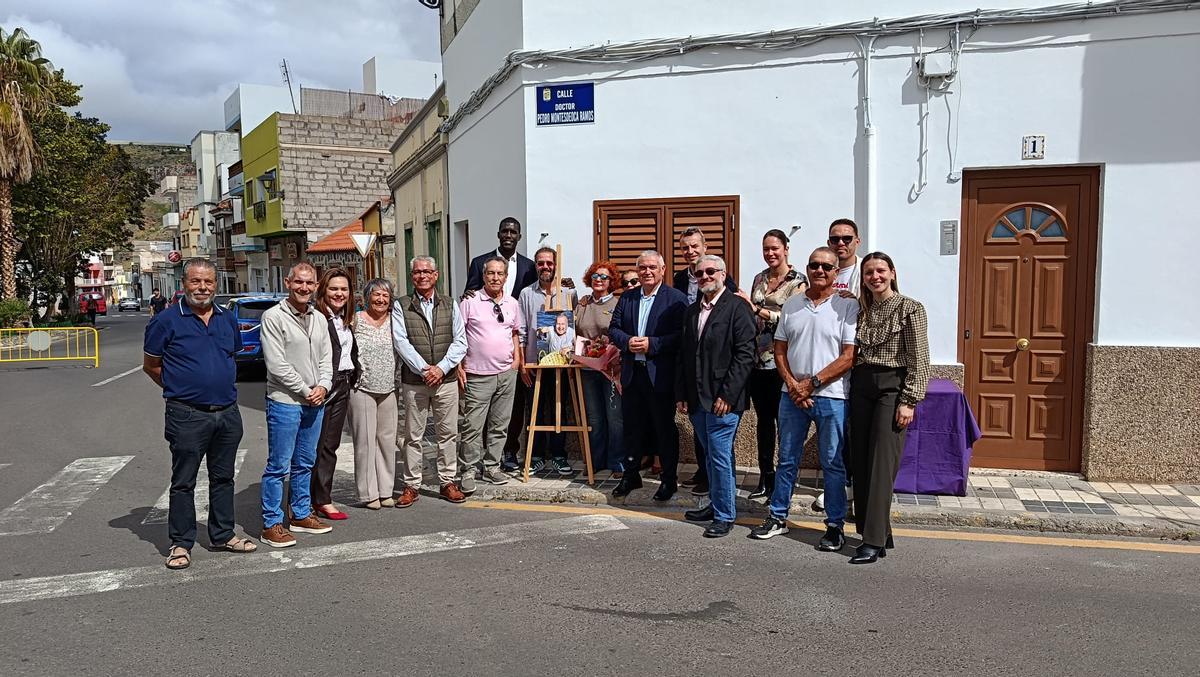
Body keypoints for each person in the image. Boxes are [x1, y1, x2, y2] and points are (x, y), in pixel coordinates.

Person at [143, 258, 257, 569]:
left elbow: (230, 356)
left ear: (216, 285)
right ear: (184, 284)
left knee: (223, 478)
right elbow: (151, 366)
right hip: (187, 414)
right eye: (196, 281)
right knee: (183, 481)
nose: (202, 287)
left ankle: (223, 534)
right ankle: (181, 543)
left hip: (227, 413)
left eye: (208, 282)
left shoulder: (226, 318)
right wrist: (181, 389)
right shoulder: (166, 321)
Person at [750, 247, 858, 554]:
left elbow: (849, 356)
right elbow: (780, 348)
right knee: (787, 459)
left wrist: (811, 384)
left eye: (827, 266)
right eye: (814, 265)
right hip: (792, 396)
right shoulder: (794, 304)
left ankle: (835, 526)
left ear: (836, 272)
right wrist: (793, 385)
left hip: (832, 397)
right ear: (807, 269)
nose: (820, 270)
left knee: (833, 464)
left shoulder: (846, 306)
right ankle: (778, 516)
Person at [848, 252, 931, 564]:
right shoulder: (862, 308)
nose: (875, 277)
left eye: (880, 271)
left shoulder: (911, 308)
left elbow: (920, 358)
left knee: (882, 465)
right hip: (861, 385)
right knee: (862, 461)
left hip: (891, 388)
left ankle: (871, 540)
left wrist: (909, 400)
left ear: (892, 273)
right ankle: (879, 534)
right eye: (868, 272)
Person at [676, 255, 757, 538]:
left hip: (724, 400)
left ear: (723, 274)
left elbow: (746, 355)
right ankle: (716, 504)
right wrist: (682, 393)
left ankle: (724, 515)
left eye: (711, 271)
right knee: (710, 455)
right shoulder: (690, 312)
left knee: (720, 455)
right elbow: (684, 356)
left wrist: (729, 394)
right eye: (700, 274)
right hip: (697, 398)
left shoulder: (737, 308)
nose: (705, 277)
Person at [259, 261, 334, 548]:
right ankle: (271, 523)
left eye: (309, 283)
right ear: (288, 283)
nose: (304, 287)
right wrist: (305, 390)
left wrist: (323, 386)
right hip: (285, 401)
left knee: (305, 462)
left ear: (316, 287)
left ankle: (301, 514)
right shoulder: (273, 317)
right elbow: (276, 364)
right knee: (278, 465)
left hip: (316, 400)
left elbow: (327, 357)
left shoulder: (319, 318)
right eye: (298, 282)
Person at [609, 250, 688, 501]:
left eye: (652, 267)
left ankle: (668, 480)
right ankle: (631, 474)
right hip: (633, 374)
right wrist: (628, 341)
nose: (647, 272)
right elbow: (614, 329)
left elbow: (681, 337)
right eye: (642, 267)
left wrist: (652, 344)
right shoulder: (628, 298)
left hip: (660, 375)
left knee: (664, 429)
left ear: (663, 270)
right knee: (632, 427)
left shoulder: (676, 299)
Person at [735, 230, 807, 499]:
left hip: (781, 361)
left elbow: (790, 318)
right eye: (766, 248)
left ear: (786, 248)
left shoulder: (798, 281)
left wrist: (754, 309)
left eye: (775, 248)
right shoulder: (759, 278)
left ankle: (784, 478)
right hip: (756, 361)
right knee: (764, 421)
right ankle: (765, 477)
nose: (770, 253)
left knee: (784, 422)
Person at [393, 256, 469, 506]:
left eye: (427, 271)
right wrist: (425, 369)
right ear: (411, 276)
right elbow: (401, 341)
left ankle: (447, 481)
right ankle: (411, 484)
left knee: (447, 434)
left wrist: (442, 368)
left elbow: (460, 341)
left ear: (436, 275)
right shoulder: (401, 305)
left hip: (445, 381)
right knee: (412, 435)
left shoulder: (450, 303)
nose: (422, 276)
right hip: (415, 381)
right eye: (417, 272)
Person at [463, 217, 536, 472]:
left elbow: (537, 293)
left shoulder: (529, 266)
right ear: (498, 234)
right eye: (504, 231)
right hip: (479, 363)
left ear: (519, 236)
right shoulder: (479, 262)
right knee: (477, 418)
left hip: (510, 353)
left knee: (510, 412)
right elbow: (469, 296)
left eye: (513, 232)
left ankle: (508, 454)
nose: (508, 235)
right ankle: (475, 463)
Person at [670, 227, 736, 496]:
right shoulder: (678, 277)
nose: (690, 252)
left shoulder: (721, 278)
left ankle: (720, 491)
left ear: (705, 246)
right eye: (685, 248)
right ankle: (702, 472)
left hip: (715, 366)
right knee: (699, 427)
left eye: (694, 246)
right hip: (689, 350)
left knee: (717, 438)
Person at [457, 256, 522, 493]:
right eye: (491, 273)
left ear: (506, 277)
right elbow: (459, 335)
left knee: (499, 425)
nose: (495, 278)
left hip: (506, 373)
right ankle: (468, 470)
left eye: (500, 274)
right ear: (483, 276)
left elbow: (515, 333)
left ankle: (492, 465)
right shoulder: (470, 301)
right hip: (477, 374)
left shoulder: (513, 303)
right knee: (472, 426)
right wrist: (459, 366)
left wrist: (516, 361)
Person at [517, 247, 579, 476]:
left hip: (562, 365)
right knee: (534, 410)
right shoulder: (526, 294)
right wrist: (523, 363)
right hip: (535, 363)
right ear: (536, 265)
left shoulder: (568, 293)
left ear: (556, 265)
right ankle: (535, 456)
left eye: (549, 263)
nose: (545, 267)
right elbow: (521, 331)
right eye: (541, 263)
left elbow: (574, 328)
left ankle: (559, 454)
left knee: (559, 409)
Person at [311, 268, 361, 521]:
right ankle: (303, 501)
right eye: (333, 289)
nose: (339, 293)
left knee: (330, 446)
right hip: (321, 385)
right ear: (323, 291)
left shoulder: (344, 318)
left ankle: (322, 499)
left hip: (342, 384)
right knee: (311, 446)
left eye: (344, 289)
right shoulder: (316, 317)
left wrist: (353, 374)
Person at [346, 278, 400, 509]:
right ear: (366, 297)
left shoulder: (395, 322)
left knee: (387, 442)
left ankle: (386, 490)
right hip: (362, 387)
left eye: (385, 296)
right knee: (365, 442)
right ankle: (368, 494)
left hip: (389, 387)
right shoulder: (355, 320)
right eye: (376, 294)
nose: (380, 299)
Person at [574, 260, 625, 477]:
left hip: (611, 369)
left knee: (615, 417)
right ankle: (595, 461)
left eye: (604, 277)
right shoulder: (582, 304)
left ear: (611, 281)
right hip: (587, 369)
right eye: (595, 276)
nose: (599, 280)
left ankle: (617, 462)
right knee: (593, 417)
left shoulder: (618, 303)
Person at [829, 218, 862, 296]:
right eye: (835, 239)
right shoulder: (819, 270)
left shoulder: (866, 271)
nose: (840, 243)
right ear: (828, 243)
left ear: (857, 242)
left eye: (847, 239)